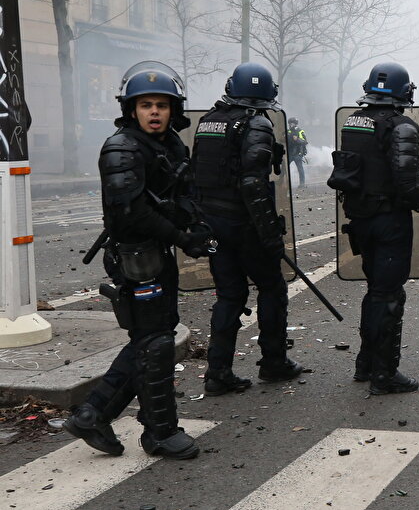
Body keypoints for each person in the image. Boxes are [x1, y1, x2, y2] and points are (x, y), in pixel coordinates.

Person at [65, 62, 212, 460]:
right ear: (131, 109)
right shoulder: (121, 148)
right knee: (156, 343)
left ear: (172, 109)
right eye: (145, 104)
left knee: (154, 337)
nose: (154, 112)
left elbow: (184, 193)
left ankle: (93, 414)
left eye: (161, 105)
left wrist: (198, 229)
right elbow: (132, 213)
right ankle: (159, 433)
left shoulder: (171, 144)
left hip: (158, 252)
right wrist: (183, 237)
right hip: (135, 256)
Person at [328, 61, 419, 394]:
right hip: (388, 223)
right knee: (389, 296)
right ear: (404, 92)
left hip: (360, 220)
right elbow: (407, 184)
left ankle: (366, 363)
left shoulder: (353, 122)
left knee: (375, 292)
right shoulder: (402, 126)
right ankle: (384, 375)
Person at [191, 62, 302, 395]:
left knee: (229, 295)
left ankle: (218, 372)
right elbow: (254, 185)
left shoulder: (209, 121)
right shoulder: (257, 124)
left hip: (213, 223)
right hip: (244, 224)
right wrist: (269, 234)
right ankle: (274, 362)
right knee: (272, 288)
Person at [286, 117, 308, 188]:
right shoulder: (288, 131)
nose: (290, 125)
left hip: (298, 154)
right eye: (289, 123)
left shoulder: (300, 131)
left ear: (295, 124)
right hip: (289, 153)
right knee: (284, 168)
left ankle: (302, 184)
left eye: (291, 123)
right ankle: (283, 182)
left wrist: (297, 139)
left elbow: (305, 141)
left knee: (300, 169)